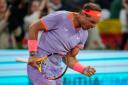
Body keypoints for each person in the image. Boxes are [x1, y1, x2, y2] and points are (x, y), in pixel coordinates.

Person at [27, 3, 102, 85]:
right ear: (83, 14)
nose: (93, 26)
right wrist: (32, 55)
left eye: (95, 23)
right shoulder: (60, 17)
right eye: (92, 22)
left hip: (57, 70)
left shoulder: (84, 34)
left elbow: (70, 59)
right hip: (39, 64)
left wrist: (83, 69)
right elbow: (34, 28)